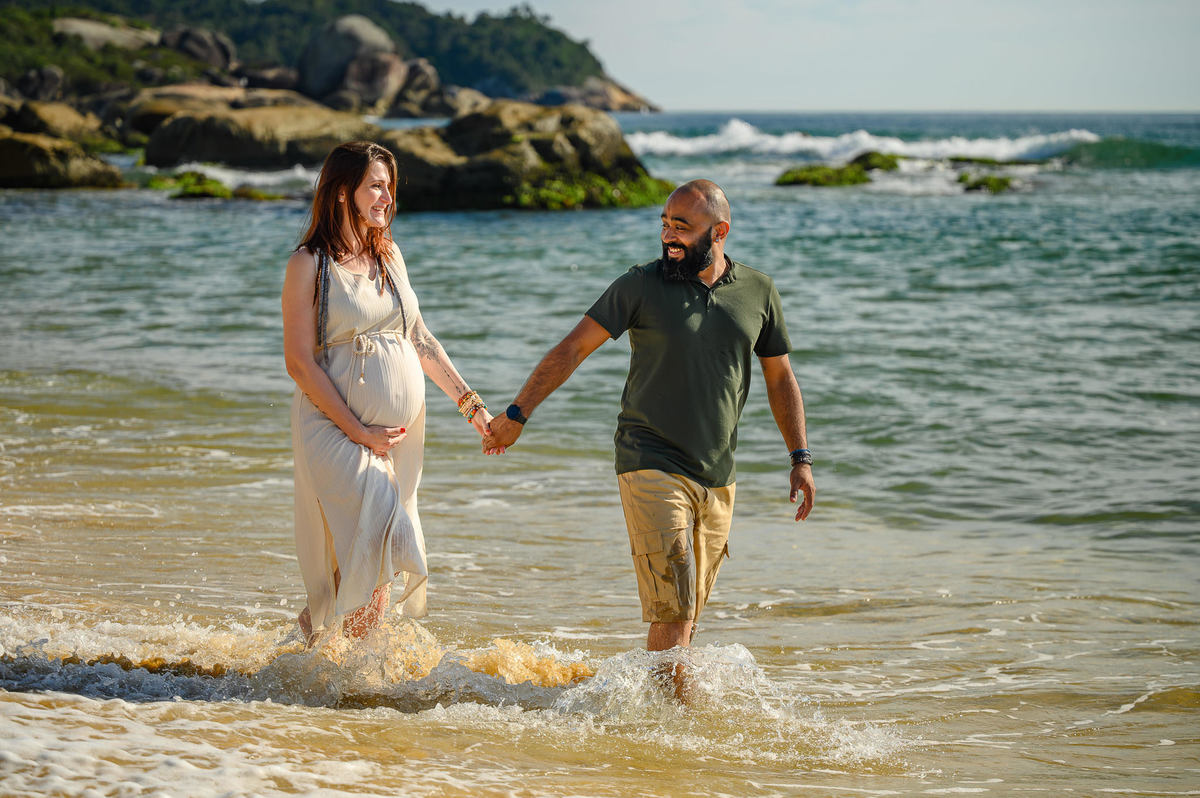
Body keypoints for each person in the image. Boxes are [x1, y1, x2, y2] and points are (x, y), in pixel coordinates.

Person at [483, 179, 814, 698]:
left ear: (719, 231)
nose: (668, 236)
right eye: (664, 223)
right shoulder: (640, 285)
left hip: (719, 475)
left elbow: (780, 379)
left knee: (686, 616)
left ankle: (641, 716)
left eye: (682, 227)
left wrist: (800, 456)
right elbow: (573, 349)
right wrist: (518, 413)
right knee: (676, 606)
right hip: (648, 460)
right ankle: (670, 735)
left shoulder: (758, 291)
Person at [282, 140, 502, 646]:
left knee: (357, 558)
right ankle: (361, 677)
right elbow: (299, 362)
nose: (387, 197)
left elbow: (420, 339)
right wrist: (358, 430)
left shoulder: (389, 255)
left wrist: (475, 410)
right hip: (334, 428)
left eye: (389, 187)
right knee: (379, 538)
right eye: (376, 186)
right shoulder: (309, 264)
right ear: (343, 193)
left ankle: (301, 659)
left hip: (393, 438)